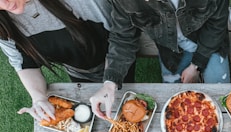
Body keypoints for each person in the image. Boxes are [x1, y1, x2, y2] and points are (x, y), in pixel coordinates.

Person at [90, 0, 231, 119]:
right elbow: (123, 38)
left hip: (210, 43)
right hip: (172, 52)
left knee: (222, 103)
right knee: (175, 111)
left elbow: (217, 24)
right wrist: (110, 83)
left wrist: (196, 65)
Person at [0, 0, 132, 122]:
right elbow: (23, 61)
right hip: (77, 70)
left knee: (124, 107)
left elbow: (121, 37)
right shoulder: (3, 21)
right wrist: (38, 97)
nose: (4, 4)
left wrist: (110, 82)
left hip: (116, 61)